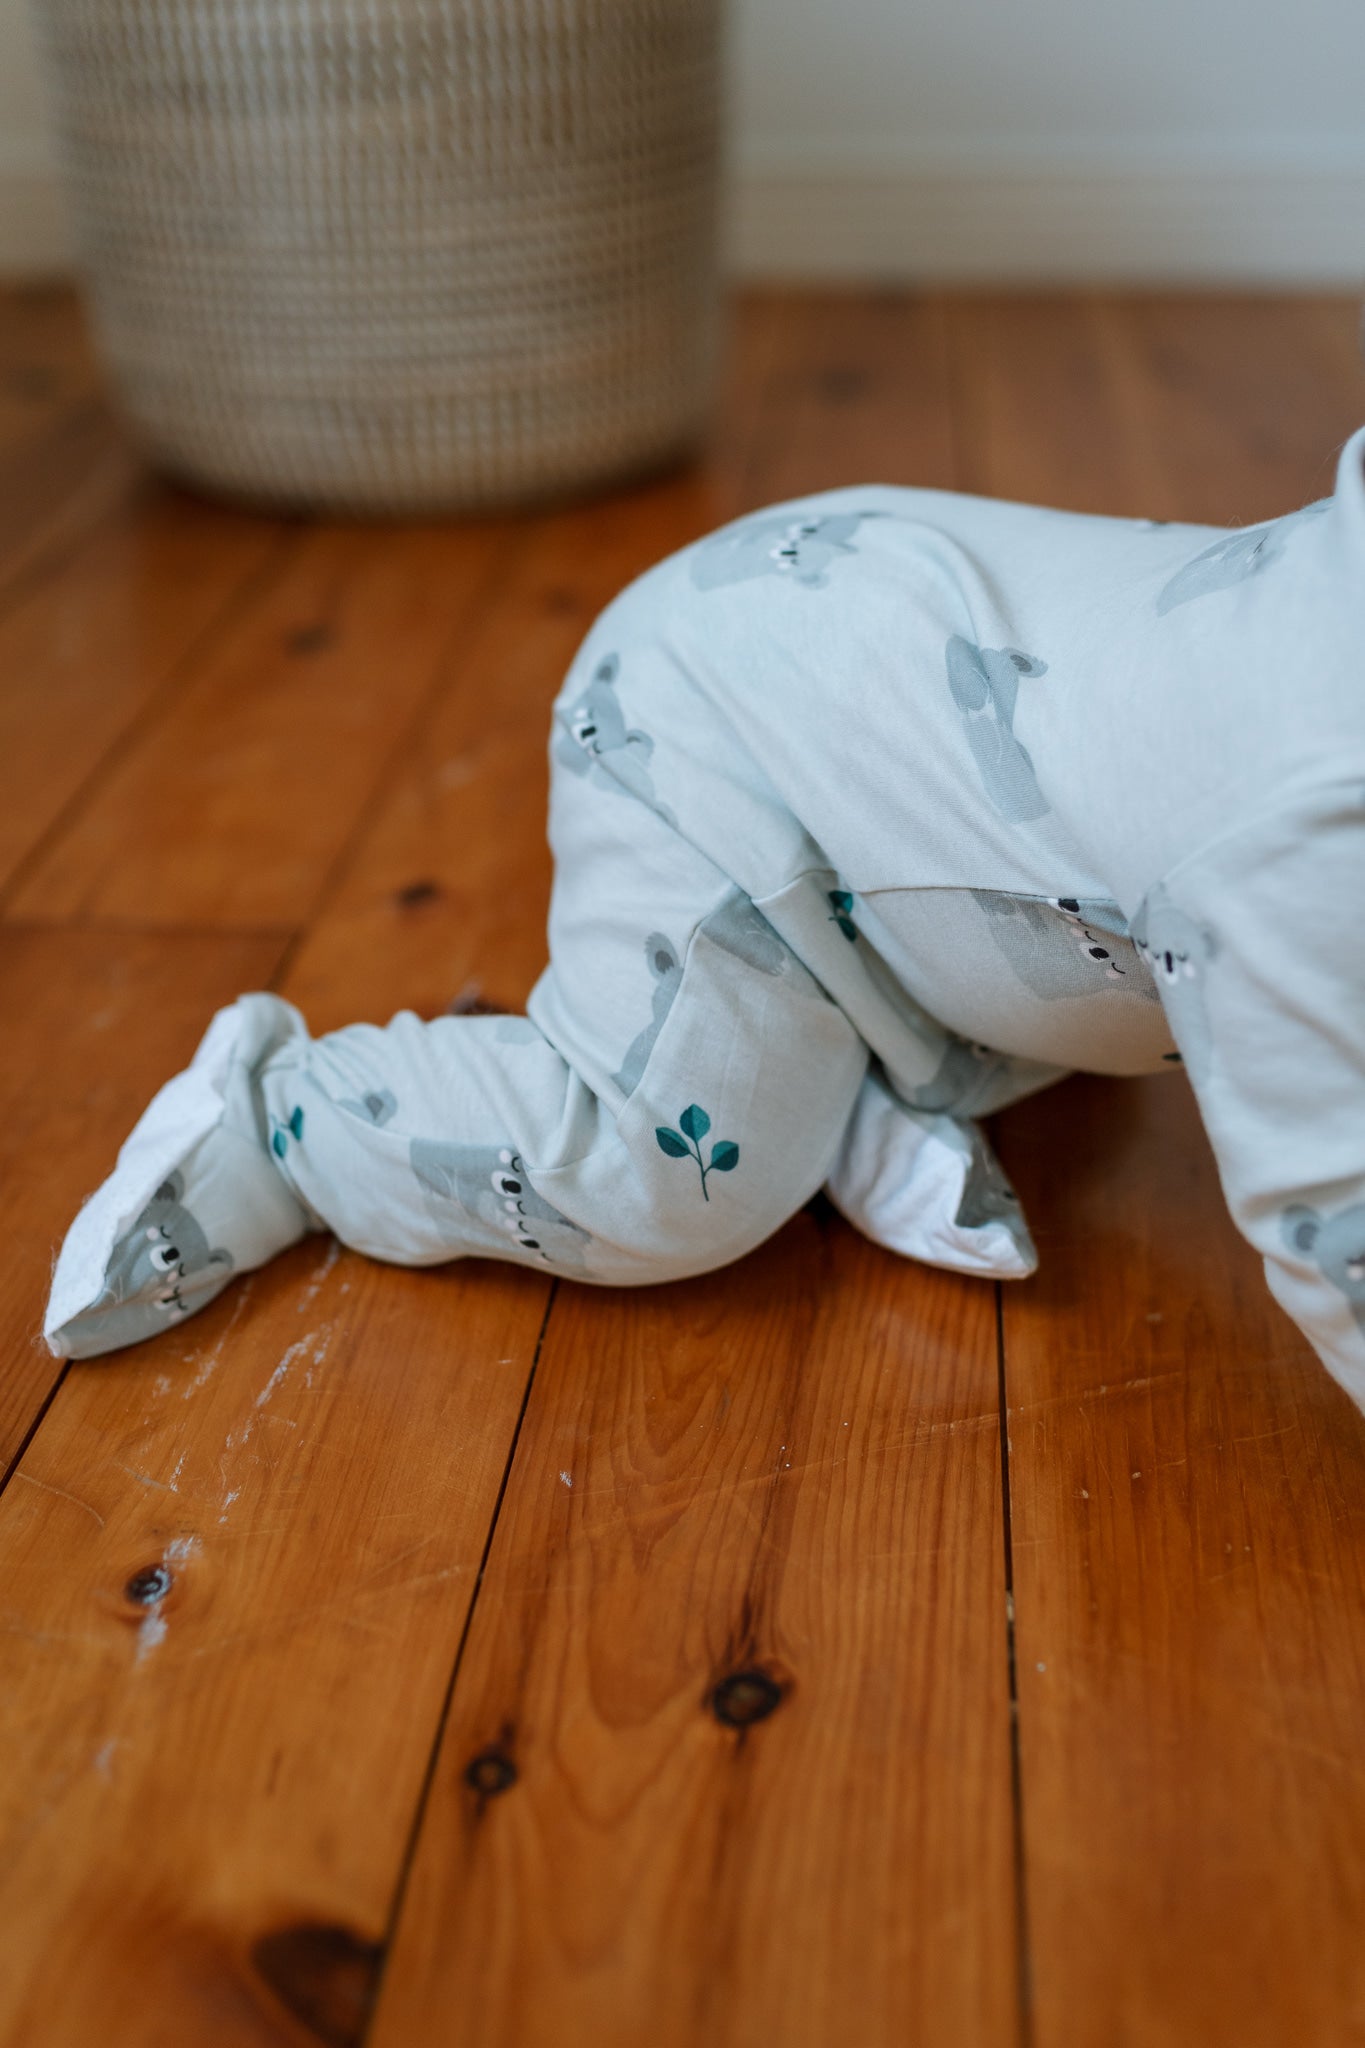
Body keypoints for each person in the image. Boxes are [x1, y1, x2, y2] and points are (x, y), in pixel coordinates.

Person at [45, 430, 1365, 1417]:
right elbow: (1333, 1223)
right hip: (709, 716)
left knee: (1087, 947)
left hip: (890, 688)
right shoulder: (1299, 822)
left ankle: (860, 1060)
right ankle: (289, 1123)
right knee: (663, 1183)